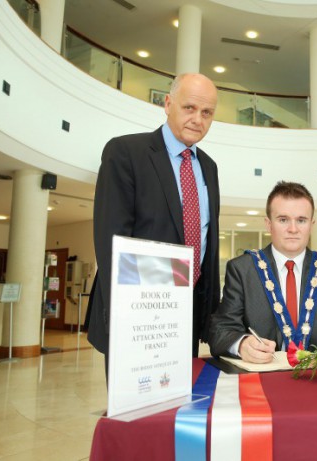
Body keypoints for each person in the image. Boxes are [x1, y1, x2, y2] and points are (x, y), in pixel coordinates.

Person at [87, 73, 221, 369]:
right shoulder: (125, 153)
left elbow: (208, 247)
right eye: (189, 108)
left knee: (180, 409)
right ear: (168, 104)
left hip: (189, 316)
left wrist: (211, 319)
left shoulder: (209, 168)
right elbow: (112, 242)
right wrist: (132, 313)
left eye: (207, 112)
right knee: (138, 415)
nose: (198, 119)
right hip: (138, 316)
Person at [209, 181, 317, 363]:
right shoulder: (242, 269)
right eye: (283, 220)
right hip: (261, 381)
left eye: (301, 220)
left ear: (311, 225)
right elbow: (220, 330)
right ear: (268, 224)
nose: (293, 229)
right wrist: (242, 345)